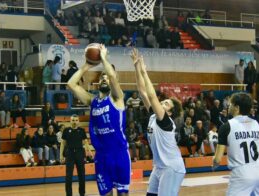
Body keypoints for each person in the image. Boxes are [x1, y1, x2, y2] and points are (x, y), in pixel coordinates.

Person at [67, 44, 131, 196]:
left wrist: (103, 58)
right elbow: (71, 84)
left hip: (119, 154)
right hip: (101, 156)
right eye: (102, 76)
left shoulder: (117, 97)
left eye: (107, 77)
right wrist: (86, 66)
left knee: (123, 195)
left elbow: (113, 76)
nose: (105, 78)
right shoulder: (92, 100)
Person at [131, 48, 185, 196]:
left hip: (171, 167)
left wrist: (144, 71)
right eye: (164, 101)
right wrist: (136, 66)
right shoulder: (154, 116)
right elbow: (142, 91)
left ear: (170, 112)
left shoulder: (166, 122)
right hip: (159, 166)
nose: (162, 103)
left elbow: (152, 95)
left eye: (167, 104)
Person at [213, 92, 259, 196]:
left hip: (241, 173)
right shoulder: (256, 123)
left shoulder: (227, 127)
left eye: (231, 104)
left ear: (237, 107)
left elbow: (217, 159)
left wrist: (214, 164)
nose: (228, 106)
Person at [60, 114, 92, 196]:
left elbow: (85, 142)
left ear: (78, 121)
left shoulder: (81, 130)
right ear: (70, 121)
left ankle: (82, 193)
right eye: (73, 120)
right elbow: (63, 144)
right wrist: (61, 155)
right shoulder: (66, 130)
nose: (74, 122)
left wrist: (89, 151)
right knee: (68, 176)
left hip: (80, 153)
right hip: (69, 154)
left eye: (76, 120)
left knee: (81, 175)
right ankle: (69, 194)